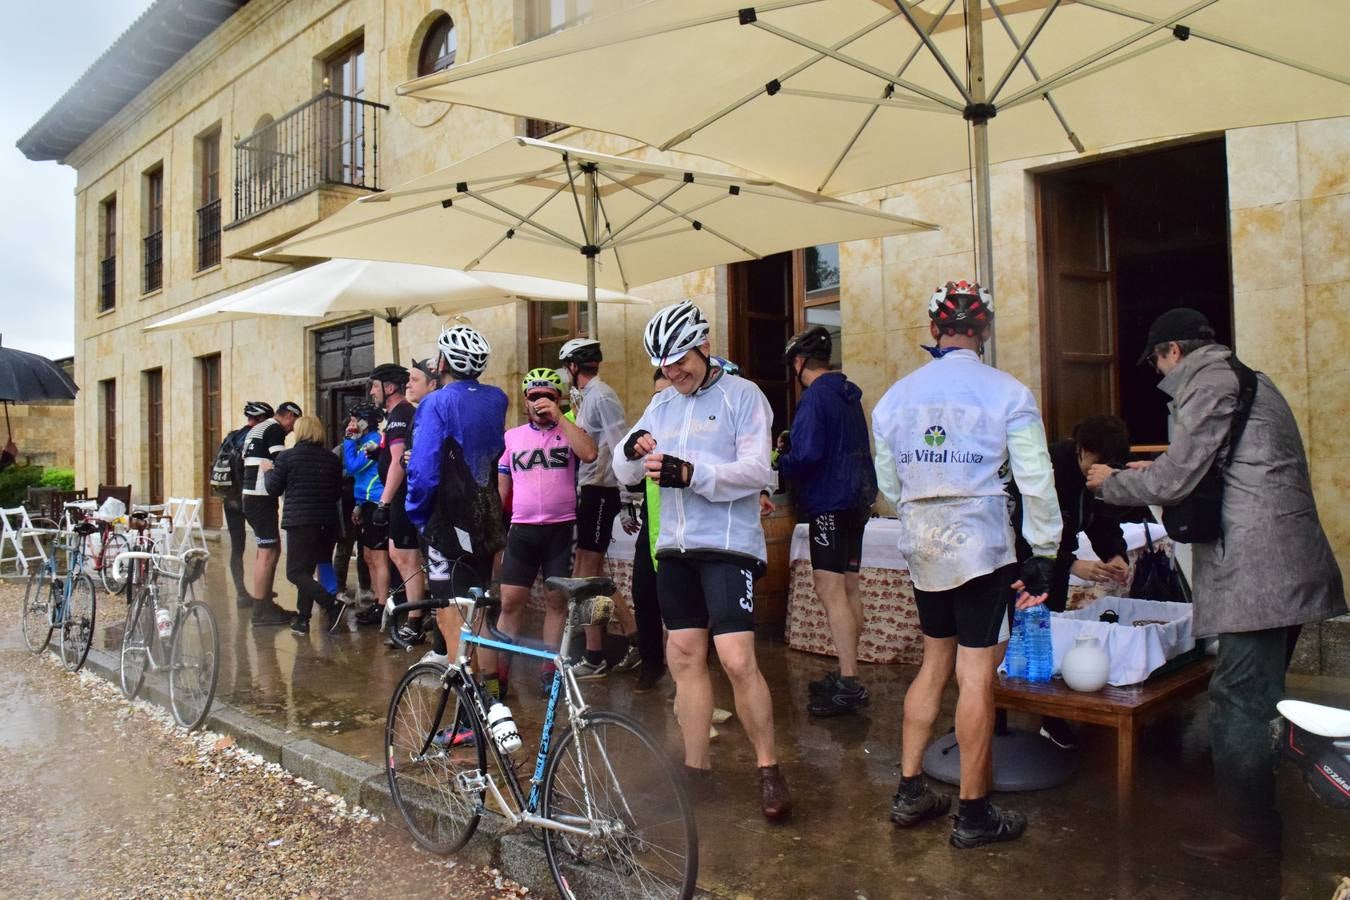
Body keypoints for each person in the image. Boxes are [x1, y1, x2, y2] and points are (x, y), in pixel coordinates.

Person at [1086, 307, 1346, 862]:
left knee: (1239, 699)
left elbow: (1179, 473)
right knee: (1260, 694)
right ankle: (1259, 803)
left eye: (1156, 361)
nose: (1157, 375)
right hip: (1282, 566)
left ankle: (1250, 829)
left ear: (1174, 351)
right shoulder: (1249, 377)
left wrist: (1112, 483)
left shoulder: (1209, 381)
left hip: (1260, 573)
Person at [873, 280, 1061, 849]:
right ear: (982, 332)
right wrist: (1045, 550)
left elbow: (887, 485)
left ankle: (909, 792)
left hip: (922, 540)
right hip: (981, 542)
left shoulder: (895, 398)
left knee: (935, 662)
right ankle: (973, 814)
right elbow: (1036, 478)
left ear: (934, 330)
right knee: (976, 672)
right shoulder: (1008, 392)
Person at [614, 300, 791, 821]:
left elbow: (758, 469)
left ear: (704, 346)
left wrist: (695, 475)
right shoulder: (664, 404)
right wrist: (632, 444)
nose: (674, 374)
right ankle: (696, 772)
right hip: (674, 547)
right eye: (664, 367)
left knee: (737, 659)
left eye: (681, 363)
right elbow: (625, 472)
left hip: (728, 545)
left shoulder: (744, 396)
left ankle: (769, 770)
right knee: (684, 658)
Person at [775, 325, 878, 717]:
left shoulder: (815, 398)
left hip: (829, 504)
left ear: (799, 363)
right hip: (857, 500)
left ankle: (849, 681)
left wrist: (781, 459)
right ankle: (848, 671)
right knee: (850, 588)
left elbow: (807, 455)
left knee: (829, 588)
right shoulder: (848, 394)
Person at [1012, 414, 1132, 750]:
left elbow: (1104, 522)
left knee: (1051, 636)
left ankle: (1050, 719)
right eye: (1095, 462)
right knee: (1017, 638)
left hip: (1056, 568)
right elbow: (1024, 531)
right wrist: (1072, 563)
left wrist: (1115, 555)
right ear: (1080, 449)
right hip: (1022, 565)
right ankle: (993, 717)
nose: (1099, 472)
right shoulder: (1047, 469)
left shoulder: (1102, 476)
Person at [490, 368, 597, 697]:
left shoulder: (570, 430)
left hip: (559, 530)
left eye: (547, 396)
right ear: (525, 402)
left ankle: (550, 668)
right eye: (534, 397)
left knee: (556, 601)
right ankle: (500, 674)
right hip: (522, 530)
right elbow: (500, 490)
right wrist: (496, 534)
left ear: (559, 398)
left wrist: (561, 418)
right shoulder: (512, 437)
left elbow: (590, 453)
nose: (540, 402)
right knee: (509, 603)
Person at [405, 324, 509, 665]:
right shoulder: (497, 398)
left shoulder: (436, 402)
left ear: (442, 361)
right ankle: (492, 698)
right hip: (488, 516)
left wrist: (417, 513)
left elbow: (423, 469)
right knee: (477, 613)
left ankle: (468, 708)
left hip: (449, 519)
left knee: (451, 616)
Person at [559, 338, 642, 678]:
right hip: (590, 490)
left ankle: (596, 655)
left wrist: (625, 500)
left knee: (587, 577)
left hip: (600, 490)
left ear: (574, 367)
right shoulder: (588, 398)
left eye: (566, 368)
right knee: (590, 574)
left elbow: (620, 444)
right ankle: (636, 637)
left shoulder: (602, 396)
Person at [266, 415, 345, 634]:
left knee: (295, 573)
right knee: (306, 572)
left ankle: (333, 605)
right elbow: (337, 492)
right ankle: (303, 619)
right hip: (327, 523)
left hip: (301, 523)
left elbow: (273, 489)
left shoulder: (287, 458)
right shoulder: (331, 458)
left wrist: (267, 472)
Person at [368, 364, 428, 647]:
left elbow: (398, 462)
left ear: (388, 388)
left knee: (407, 558)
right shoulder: (396, 416)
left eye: (374, 386)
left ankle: (416, 620)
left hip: (404, 496)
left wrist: (384, 502)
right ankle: (416, 610)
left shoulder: (401, 414)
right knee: (398, 555)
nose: (371, 392)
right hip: (401, 497)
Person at [627, 368, 673, 694]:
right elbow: (628, 473)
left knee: (680, 607)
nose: (660, 401)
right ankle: (651, 665)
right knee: (644, 596)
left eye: (666, 394)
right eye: (656, 395)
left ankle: (681, 676)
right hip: (652, 525)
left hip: (683, 530)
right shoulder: (650, 429)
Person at [242, 400, 303, 626]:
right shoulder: (275, 429)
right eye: (293, 423)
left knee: (269, 549)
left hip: (251, 496)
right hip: (260, 497)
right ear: (288, 416)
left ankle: (265, 603)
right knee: (267, 552)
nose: (291, 430)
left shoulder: (258, 428)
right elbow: (281, 462)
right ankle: (261, 610)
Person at [219, 401, 272, 609]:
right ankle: (263, 588)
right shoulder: (257, 437)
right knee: (266, 544)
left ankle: (241, 593)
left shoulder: (231, 436)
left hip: (229, 498)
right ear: (260, 419)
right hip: (249, 497)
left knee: (237, 547)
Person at [343, 402, 388, 624]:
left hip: (377, 502)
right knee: (369, 557)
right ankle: (377, 601)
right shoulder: (362, 441)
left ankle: (383, 606)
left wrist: (348, 440)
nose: (350, 424)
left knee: (379, 558)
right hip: (366, 502)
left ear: (364, 421)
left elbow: (352, 467)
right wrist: (358, 504)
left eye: (353, 420)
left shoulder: (373, 441)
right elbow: (358, 477)